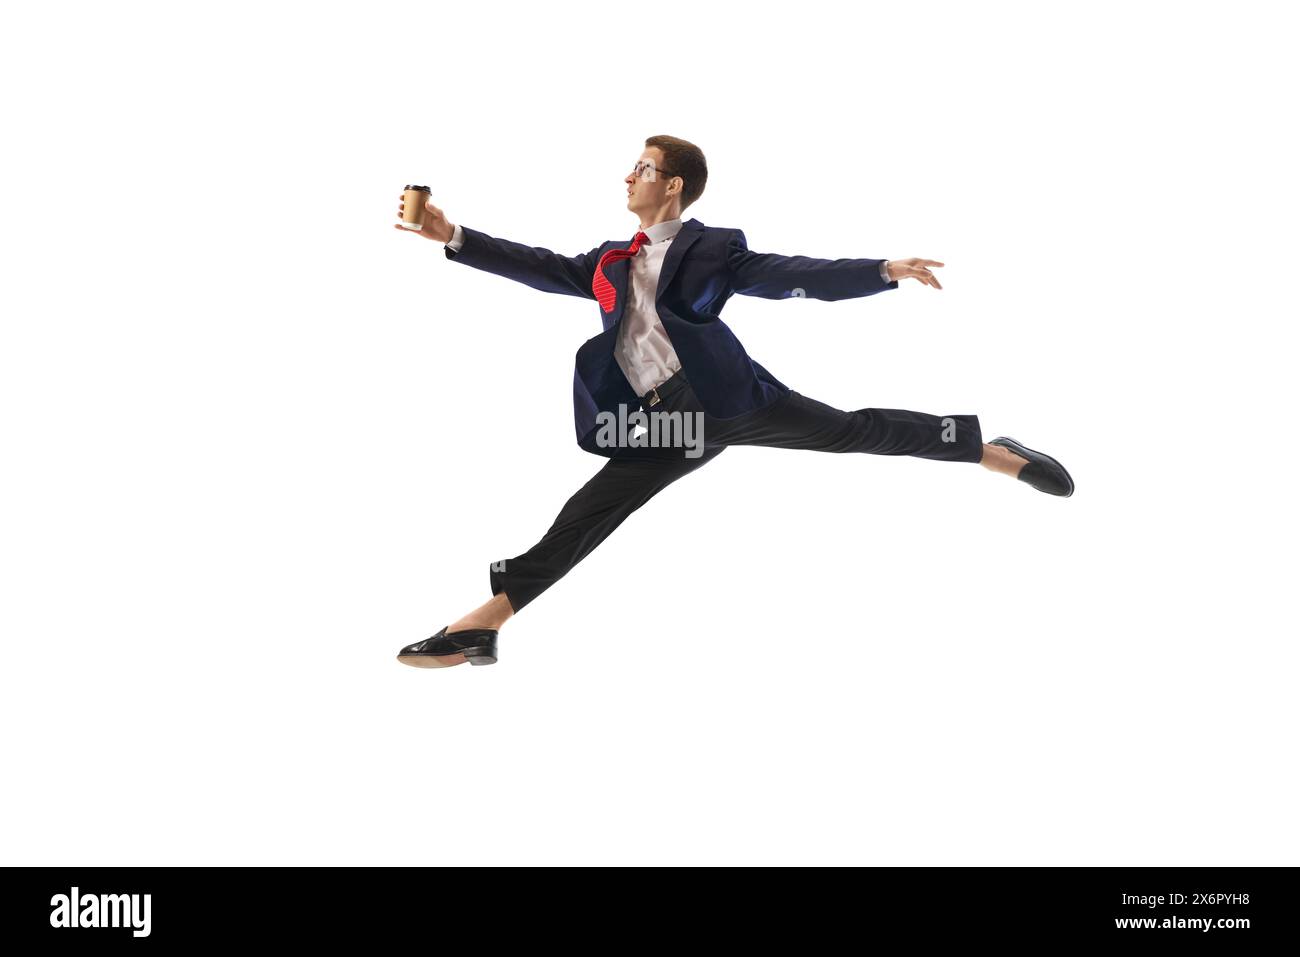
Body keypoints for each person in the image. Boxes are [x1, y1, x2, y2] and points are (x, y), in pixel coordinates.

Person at [391, 134, 1073, 668]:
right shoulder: (610, 259)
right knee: (594, 507)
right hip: (664, 417)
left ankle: (986, 449)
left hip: (727, 397)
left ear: (673, 184)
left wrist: (880, 271)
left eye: (643, 166)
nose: (629, 175)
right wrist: (452, 234)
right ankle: (485, 624)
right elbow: (541, 266)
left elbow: (787, 274)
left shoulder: (714, 248)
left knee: (848, 430)